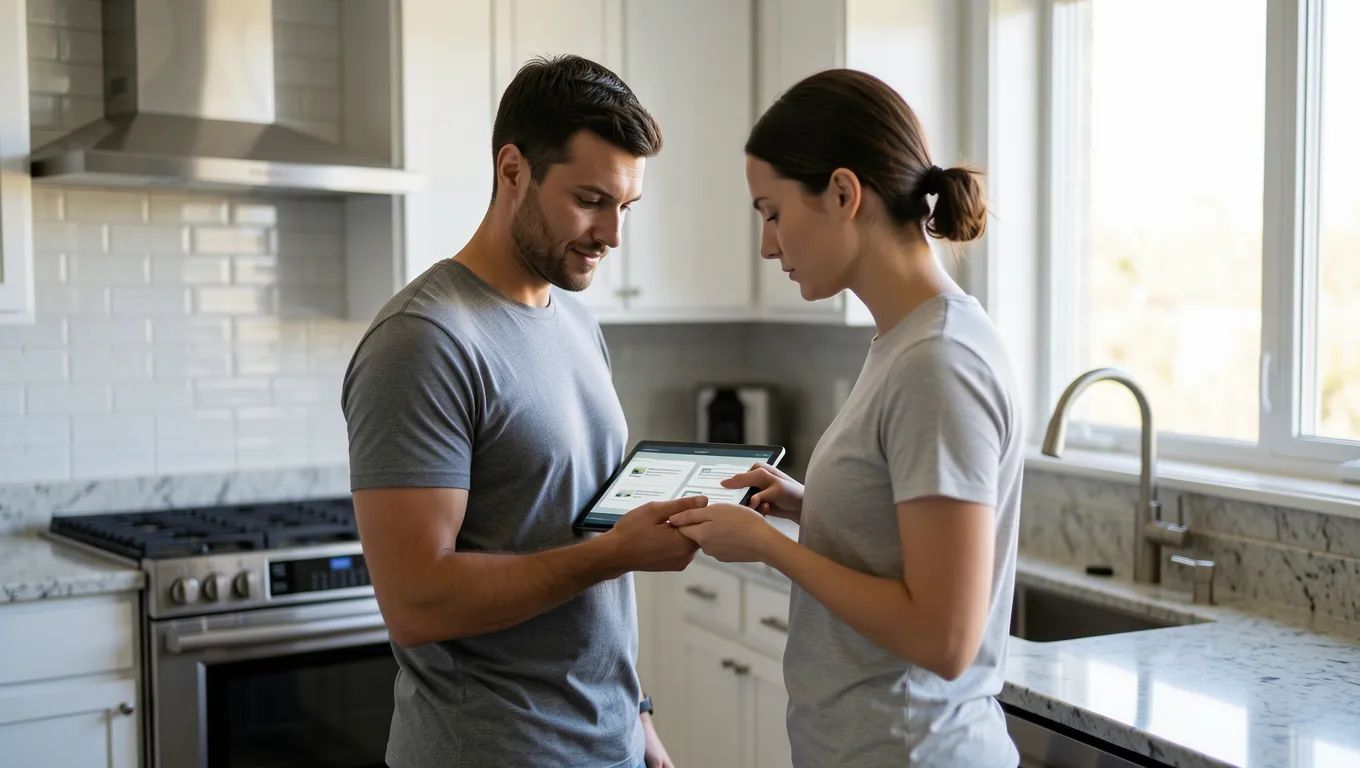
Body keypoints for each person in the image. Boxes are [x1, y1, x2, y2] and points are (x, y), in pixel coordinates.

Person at [342, 55, 701, 768]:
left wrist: (637, 716)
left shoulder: (574, 320)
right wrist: (616, 553)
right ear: (513, 171)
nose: (612, 235)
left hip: (608, 744)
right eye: (590, 199)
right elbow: (417, 602)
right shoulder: (425, 340)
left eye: (625, 207)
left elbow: (565, 526)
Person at [669, 68, 1023, 768]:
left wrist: (772, 547)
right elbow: (901, 541)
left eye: (771, 213)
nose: (768, 246)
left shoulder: (937, 361)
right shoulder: (903, 342)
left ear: (841, 192)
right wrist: (810, 508)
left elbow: (944, 639)